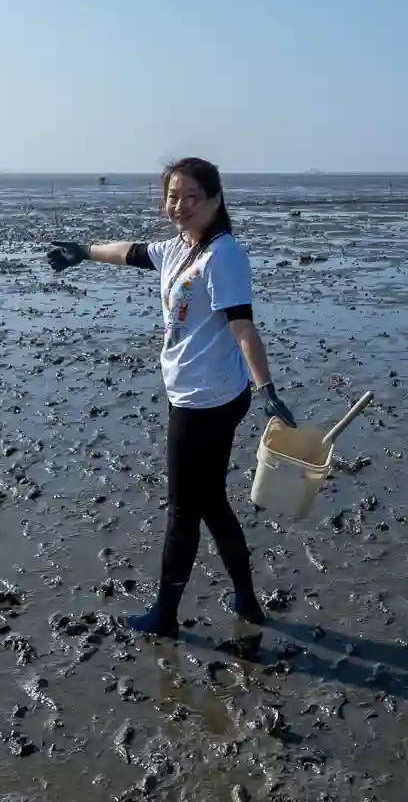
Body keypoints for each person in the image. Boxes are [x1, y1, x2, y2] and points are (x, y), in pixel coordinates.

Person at [45, 157, 295, 637]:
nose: (178, 206)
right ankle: (246, 598)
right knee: (210, 501)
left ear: (215, 200)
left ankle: (166, 614)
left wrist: (267, 389)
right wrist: (83, 250)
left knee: (185, 507)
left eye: (190, 197)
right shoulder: (182, 247)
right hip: (197, 393)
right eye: (172, 196)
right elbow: (133, 252)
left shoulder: (223, 255)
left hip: (208, 400)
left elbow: (243, 326)